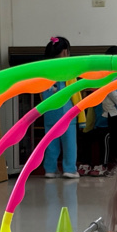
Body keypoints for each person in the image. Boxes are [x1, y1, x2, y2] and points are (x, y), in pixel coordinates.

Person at [40, 36, 83, 179]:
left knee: (50, 143)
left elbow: (41, 92)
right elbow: (75, 92)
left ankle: (50, 169)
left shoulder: (44, 69)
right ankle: (69, 169)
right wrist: (81, 114)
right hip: (66, 112)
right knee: (69, 143)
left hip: (49, 112)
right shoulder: (68, 68)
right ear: (65, 52)